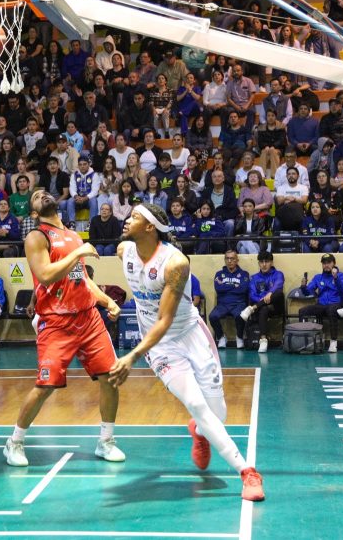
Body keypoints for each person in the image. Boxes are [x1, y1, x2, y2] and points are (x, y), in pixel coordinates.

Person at [110, 203, 264, 501]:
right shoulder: (123, 251)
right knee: (196, 403)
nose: (127, 220)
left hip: (190, 334)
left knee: (217, 413)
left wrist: (131, 355)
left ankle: (200, 432)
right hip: (162, 347)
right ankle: (247, 472)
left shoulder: (175, 263)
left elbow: (165, 319)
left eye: (135, 217)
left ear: (151, 227)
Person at [4, 189, 124, 467]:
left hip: (88, 318)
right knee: (46, 386)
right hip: (56, 322)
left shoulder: (70, 235)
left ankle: (106, 441)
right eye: (35, 196)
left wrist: (106, 301)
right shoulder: (37, 237)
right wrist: (80, 251)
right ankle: (15, 442)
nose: (42, 195)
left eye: (44, 192)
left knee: (110, 378)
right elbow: (45, 274)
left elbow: (80, 277)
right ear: (34, 213)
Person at [297, 254, 343, 353]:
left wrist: (336, 278)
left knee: (331, 309)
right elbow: (309, 292)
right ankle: (303, 341)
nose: (326, 265)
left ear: (334, 263)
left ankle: (333, 342)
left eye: (329, 263)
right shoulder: (318, 277)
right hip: (322, 305)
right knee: (302, 311)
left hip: (336, 304)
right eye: (324, 263)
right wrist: (303, 287)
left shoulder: (341, 275)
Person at [238, 251, 285, 353]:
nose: (264, 265)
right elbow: (252, 294)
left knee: (279, 293)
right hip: (262, 307)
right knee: (264, 308)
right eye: (261, 262)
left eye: (267, 262)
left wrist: (270, 293)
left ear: (271, 263)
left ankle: (251, 308)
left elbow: (278, 285)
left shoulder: (278, 274)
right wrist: (265, 298)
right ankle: (263, 340)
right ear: (258, 263)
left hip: (276, 307)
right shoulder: (254, 278)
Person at [209, 249, 251, 348]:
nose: (229, 261)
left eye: (232, 258)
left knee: (241, 316)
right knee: (212, 316)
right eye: (227, 258)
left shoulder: (244, 274)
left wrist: (226, 286)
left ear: (237, 260)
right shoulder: (219, 274)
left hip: (239, 303)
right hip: (223, 304)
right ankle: (221, 337)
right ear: (224, 260)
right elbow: (218, 288)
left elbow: (243, 289)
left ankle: (239, 337)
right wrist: (235, 285)